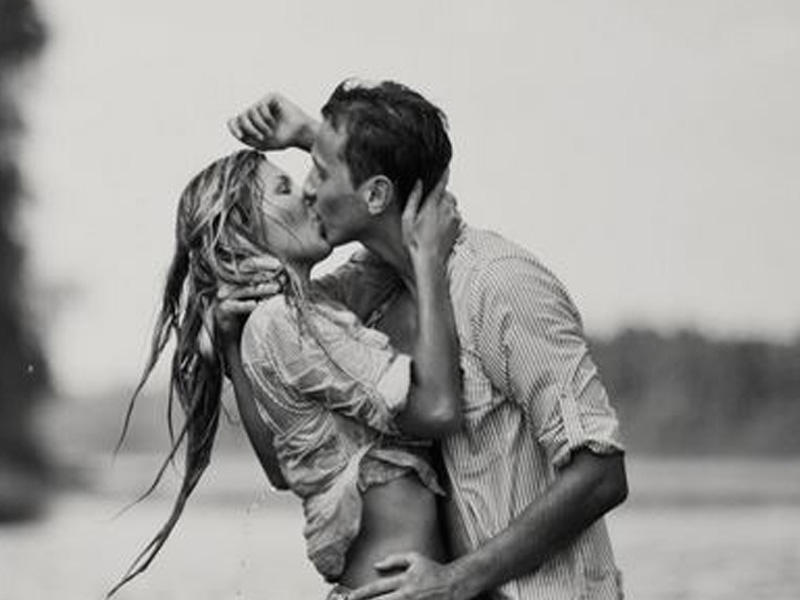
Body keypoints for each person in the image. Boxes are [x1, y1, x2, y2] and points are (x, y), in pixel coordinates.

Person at [223, 79, 629, 599]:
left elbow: (601, 474)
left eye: (319, 171)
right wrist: (231, 336)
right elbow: (289, 457)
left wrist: (457, 579)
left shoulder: (499, 285)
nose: (306, 188)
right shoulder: (369, 297)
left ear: (375, 194)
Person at [109, 148, 465, 598]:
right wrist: (429, 265)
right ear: (241, 233)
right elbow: (438, 410)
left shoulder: (307, 310)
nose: (308, 193)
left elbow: (283, 470)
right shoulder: (282, 322)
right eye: (284, 189)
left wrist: (310, 140)